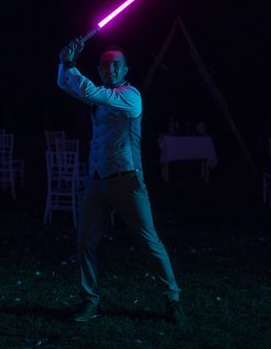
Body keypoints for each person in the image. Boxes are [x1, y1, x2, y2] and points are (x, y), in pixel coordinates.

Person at [57, 37, 185, 326]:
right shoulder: (99, 94)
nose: (110, 69)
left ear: (125, 70)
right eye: (105, 65)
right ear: (100, 70)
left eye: (116, 65)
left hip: (127, 180)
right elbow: (65, 84)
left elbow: (87, 90)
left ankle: (173, 298)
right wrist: (64, 62)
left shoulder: (131, 96)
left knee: (149, 241)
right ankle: (90, 301)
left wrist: (69, 65)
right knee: (85, 242)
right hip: (97, 180)